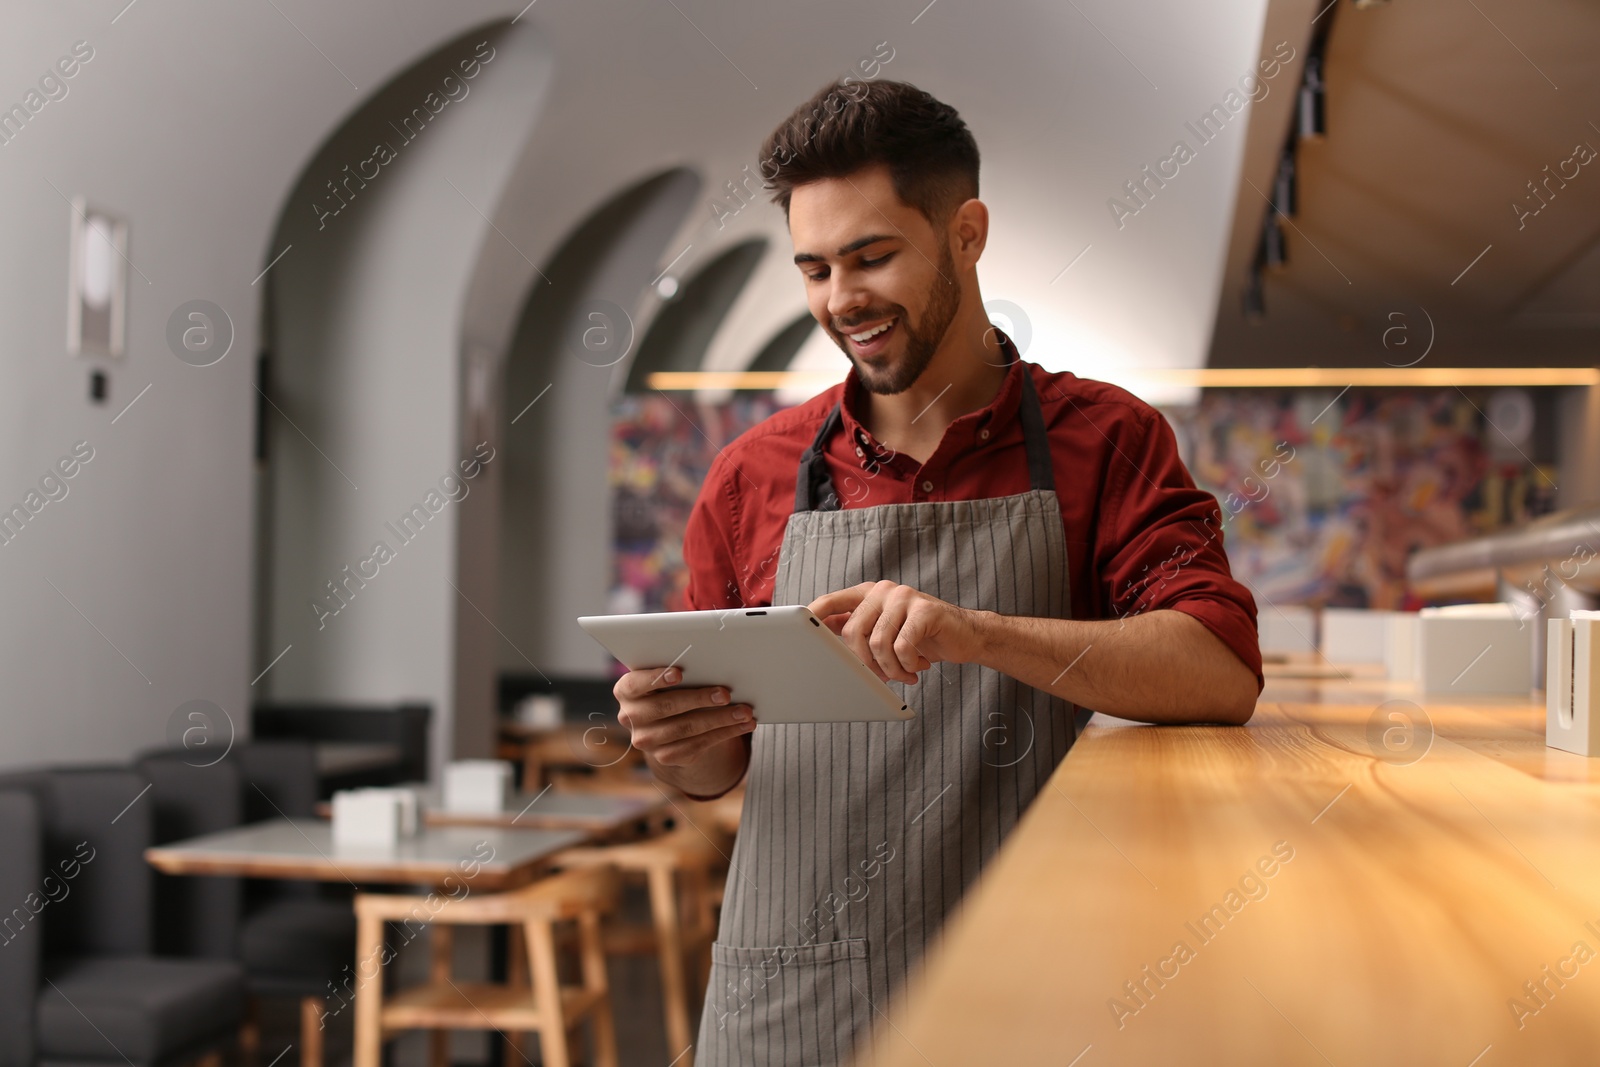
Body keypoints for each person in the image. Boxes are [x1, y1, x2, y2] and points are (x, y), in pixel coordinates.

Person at [614, 78, 1263, 1066]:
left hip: (1037, 979)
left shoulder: (1107, 438)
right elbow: (713, 770)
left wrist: (973, 630)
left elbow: (1216, 669)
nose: (842, 300)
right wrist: (673, 738)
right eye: (815, 268)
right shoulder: (751, 476)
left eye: (872, 256)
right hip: (797, 985)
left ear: (966, 234)